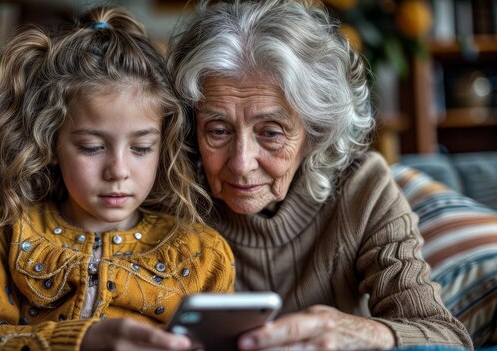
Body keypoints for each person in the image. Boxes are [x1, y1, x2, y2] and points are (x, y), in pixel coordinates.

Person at [165, 0, 473, 350]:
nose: (241, 163)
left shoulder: (362, 188)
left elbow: (447, 339)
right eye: (218, 130)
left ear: (315, 133)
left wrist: (362, 333)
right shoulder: (170, 191)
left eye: (271, 132)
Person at [0, 5, 235, 351]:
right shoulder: (10, 232)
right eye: (91, 147)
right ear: (51, 143)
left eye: (141, 148)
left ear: (164, 145)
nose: (118, 170)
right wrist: (78, 340)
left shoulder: (201, 254)